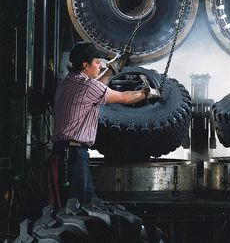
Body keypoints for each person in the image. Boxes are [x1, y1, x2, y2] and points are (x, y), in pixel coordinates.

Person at [48, 42, 160, 208]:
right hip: (74, 156)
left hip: (63, 153)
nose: (100, 65)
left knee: (89, 205)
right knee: (74, 210)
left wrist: (112, 68)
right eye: (97, 62)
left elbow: (96, 86)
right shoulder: (88, 87)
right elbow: (125, 98)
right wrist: (147, 93)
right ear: (85, 65)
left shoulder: (69, 81)